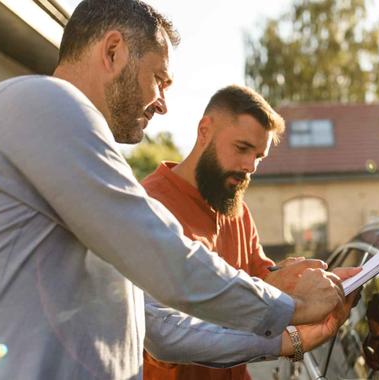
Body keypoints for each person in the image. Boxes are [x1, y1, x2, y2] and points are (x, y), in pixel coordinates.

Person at [0, 1, 345, 379]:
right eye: (159, 79)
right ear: (113, 51)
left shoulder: (77, 159)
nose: (162, 104)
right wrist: (290, 306)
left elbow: (159, 328)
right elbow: (166, 256)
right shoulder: (41, 102)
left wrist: (284, 341)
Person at [139, 85, 359, 380]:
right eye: (242, 149)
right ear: (205, 130)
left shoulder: (235, 208)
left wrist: (306, 279)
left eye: (259, 156)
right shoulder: (149, 207)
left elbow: (263, 277)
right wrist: (288, 314)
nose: (249, 167)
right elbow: (168, 330)